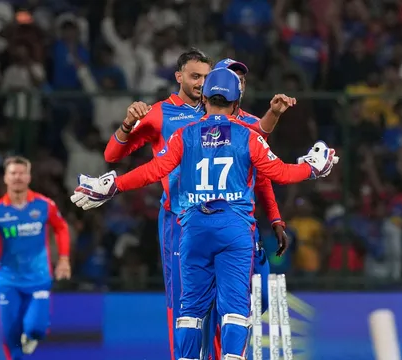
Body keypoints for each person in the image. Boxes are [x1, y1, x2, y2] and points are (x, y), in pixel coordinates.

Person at [71, 68, 337, 358]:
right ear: (237, 104)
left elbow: (154, 170)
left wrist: (113, 185)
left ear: (205, 99)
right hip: (235, 229)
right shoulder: (248, 136)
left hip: (193, 228)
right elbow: (280, 174)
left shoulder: (184, 135)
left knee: (191, 308)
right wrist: (313, 167)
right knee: (235, 307)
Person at [105, 49, 293, 359]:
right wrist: (127, 124)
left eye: (207, 78)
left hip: (229, 220)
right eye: (198, 77)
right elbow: (112, 156)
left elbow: (262, 159)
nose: (202, 83)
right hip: (179, 220)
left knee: (239, 304)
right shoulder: (162, 113)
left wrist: (274, 217)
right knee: (185, 304)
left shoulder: (237, 119)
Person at [204, 57, 294, 360]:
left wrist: (277, 219)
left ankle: (233, 337)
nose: (239, 81)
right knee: (214, 305)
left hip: (245, 228)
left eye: (242, 77)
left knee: (263, 297)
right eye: (232, 76)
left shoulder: (248, 124)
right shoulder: (203, 127)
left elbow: (264, 176)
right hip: (210, 227)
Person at [0, 156, 71, 360]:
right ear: (5, 178)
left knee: (36, 329)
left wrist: (63, 259)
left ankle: (32, 335)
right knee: (10, 334)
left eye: (21, 173)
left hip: (39, 278)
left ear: (29, 177)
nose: (17, 177)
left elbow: (61, 228)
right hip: (8, 279)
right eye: (13, 173)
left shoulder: (44, 205)